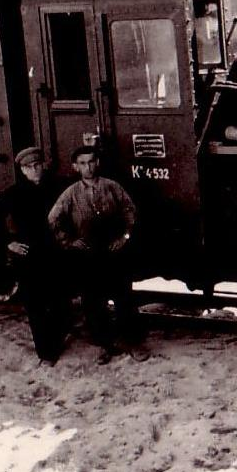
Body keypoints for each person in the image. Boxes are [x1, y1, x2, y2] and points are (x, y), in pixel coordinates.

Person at [47, 145, 143, 364]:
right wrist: (69, 242)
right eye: (82, 163)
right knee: (93, 302)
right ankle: (104, 346)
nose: (88, 167)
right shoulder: (70, 193)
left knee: (123, 297)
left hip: (113, 252)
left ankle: (132, 343)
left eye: (91, 162)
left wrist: (124, 237)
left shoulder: (112, 187)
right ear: (75, 167)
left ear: (97, 163)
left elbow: (131, 212)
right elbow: (53, 219)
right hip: (89, 255)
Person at [0, 146, 66, 364]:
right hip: (30, 255)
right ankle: (47, 353)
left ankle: (59, 337)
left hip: (56, 252)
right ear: (22, 170)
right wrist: (8, 242)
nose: (35, 170)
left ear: (44, 165)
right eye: (29, 167)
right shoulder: (14, 193)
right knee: (35, 305)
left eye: (37, 165)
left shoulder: (58, 187)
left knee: (59, 299)